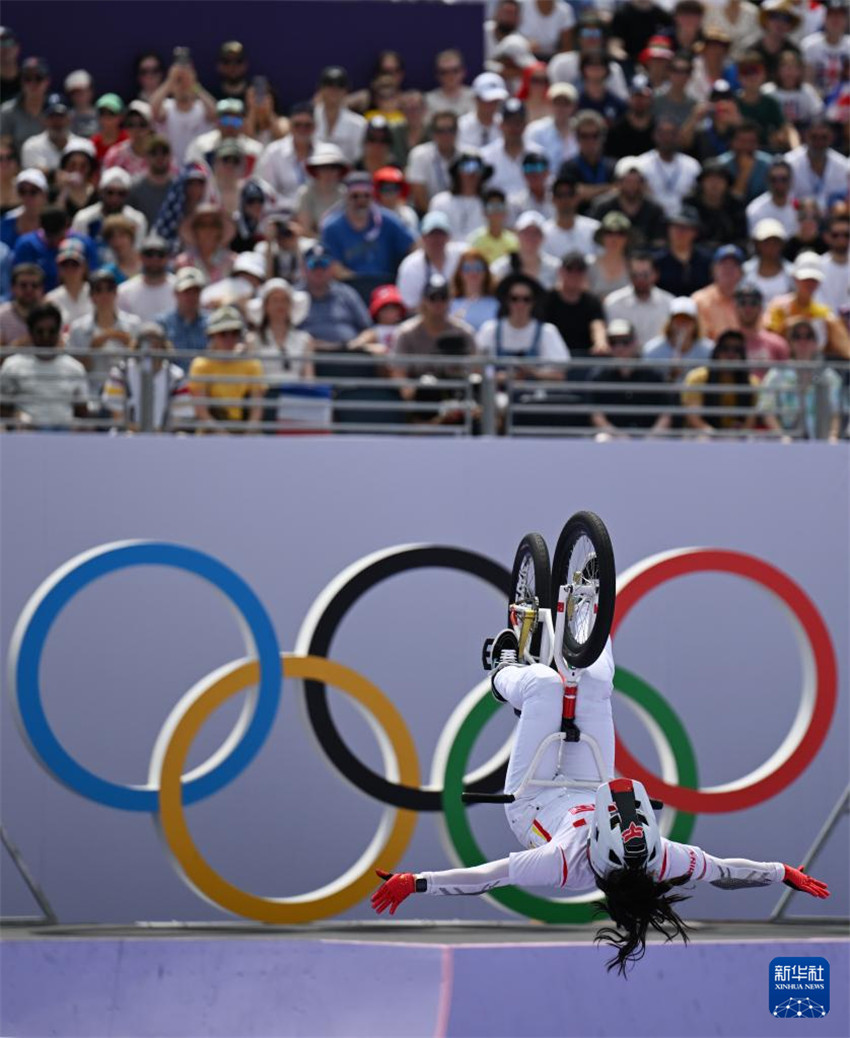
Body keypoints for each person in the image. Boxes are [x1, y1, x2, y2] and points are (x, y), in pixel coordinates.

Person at [372, 639, 830, 973]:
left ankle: (501, 671)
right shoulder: (661, 857)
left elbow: (486, 877)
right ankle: (587, 618)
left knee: (544, 687)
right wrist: (781, 872)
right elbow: (724, 872)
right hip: (591, 780)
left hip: (533, 796)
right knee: (597, 681)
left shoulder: (561, 865)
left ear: (595, 843)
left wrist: (418, 883)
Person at [390, 273, 478, 421]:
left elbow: (476, 371)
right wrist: (412, 392)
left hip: (458, 395)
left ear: (450, 301)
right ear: (424, 301)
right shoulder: (406, 333)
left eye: (443, 297)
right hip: (423, 402)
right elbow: (399, 374)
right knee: (427, 384)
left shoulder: (464, 333)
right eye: (433, 298)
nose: (438, 303)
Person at [0, 302, 89, 428]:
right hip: (25, 436)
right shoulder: (13, 366)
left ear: (59, 333)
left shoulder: (74, 368)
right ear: (30, 333)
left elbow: (82, 412)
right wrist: (17, 417)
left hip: (64, 435)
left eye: (51, 332)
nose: (46, 337)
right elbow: (2, 408)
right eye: (40, 332)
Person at [757, 316, 843, 440]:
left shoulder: (829, 376)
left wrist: (833, 436)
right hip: (787, 443)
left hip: (822, 440)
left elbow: (836, 413)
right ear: (790, 343)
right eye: (797, 337)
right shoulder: (776, 374)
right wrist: (782, 437)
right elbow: (767, 411)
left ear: (816, 343)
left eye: (808, 336)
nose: (803, 341)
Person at [321, 170, 414, 282]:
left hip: (387, 283)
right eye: (355, 196)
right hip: (350, 286)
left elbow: (414, 246)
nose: (361, 201)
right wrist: (363, 283)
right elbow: (333, 266)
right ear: (346, 197)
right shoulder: (331, 227)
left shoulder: (389, 220)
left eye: (366, 196)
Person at [101, 321, 192, 432]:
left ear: (164, 346)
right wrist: (142, 434)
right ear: (136, 345)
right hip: (127, 436)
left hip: (165, 439)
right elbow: (117, 415)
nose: (151, 348)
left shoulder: (177, 377)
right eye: (145, 342)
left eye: (156, 343)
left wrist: (156, 435)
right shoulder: (120, 373)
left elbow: (179, 418)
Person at [188, 304, 265, 431]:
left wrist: (246, 435)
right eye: (223, 333)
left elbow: (256, 410)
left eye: (234, 333)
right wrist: (223, 435)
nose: (229, 338)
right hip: (210, 435)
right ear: (212, 335)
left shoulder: (252, 364)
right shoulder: (201, 365)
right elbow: (201, 412)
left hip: (245, 433)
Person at [478, 272, 570, 377]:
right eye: (514, 298)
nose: (520, 304)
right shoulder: (490, 330)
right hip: (498, 392)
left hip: (536, 392)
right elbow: (478, 369)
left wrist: (532, 373)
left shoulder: (547, 331)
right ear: (507, 300)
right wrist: (504, 377)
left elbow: (559, 374)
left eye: (526, 299)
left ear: (534, 302)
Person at [590, 318, 671, 436]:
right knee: (602, 439)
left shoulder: (654, 374)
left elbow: (666, 413)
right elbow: (596, 414)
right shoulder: (599, 376)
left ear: (635, 342)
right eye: (613, 342)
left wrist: (652, 437)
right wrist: (618, 436)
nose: (620, 347)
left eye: (625, 341)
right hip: (613, 438)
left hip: (651, 438)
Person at [765, 252, 850, 361]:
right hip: (782, 364)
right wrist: (788, 326)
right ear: (795, 279)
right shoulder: (778, 307)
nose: (810, 284)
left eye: (813, 280)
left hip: (815, 366)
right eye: (805, 279)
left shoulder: (823, 312)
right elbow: (768, 339)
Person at [67, 267, 141, 382]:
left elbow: (141, 365)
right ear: (91, 296)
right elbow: (74, 371)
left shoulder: (134, 324)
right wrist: (92, 350)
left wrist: (131, 346)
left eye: (109, 289)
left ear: (116, 292)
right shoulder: (78, 328)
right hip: (92, 393)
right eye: (98, 290)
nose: (104, 295)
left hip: (126, 392)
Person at [298, 244, 372, 353]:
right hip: (308, 356)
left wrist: (357, 343)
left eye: (324, 264)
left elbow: (369, 329)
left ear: (332, 268)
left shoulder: (347, 293)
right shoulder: (294, 296)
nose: (319, 270)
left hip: (346, 354)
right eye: (313, 264)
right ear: (303, 269)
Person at [682, 330, 757, 434]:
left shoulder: (752, 383)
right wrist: (714, 436)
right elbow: (693, 417)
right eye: (725, 348)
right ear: (717, 351)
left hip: (738, 440)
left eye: (737, 350)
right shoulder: (697, 378)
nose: (731, 354)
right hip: (703, 438)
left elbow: (750, 420)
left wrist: (738, 437)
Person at [589, 158, 666, 252]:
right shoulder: (602, 207)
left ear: (643, 183)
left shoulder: (655, 209)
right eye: (627, 181)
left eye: (636, 181)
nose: (632, 186)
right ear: (618, 182)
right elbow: (594, 239)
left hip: (643, 261)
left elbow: (659, 243)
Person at [149, 60, 217, 166]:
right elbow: (153, 109)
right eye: (179, 81)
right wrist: (170, 80)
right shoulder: (167, 107)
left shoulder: (202, 108)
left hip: (198, 171)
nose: (183, 86)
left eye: (186, 82)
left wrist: (194, 84)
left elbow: (215, 114)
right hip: (172, 169)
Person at [396, 210, 464, 311]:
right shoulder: (410, 266)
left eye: (441, 234)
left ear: (449, 237)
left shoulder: (462, 255)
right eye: (432, 234)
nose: (437, 239)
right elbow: (409, 305)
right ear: (423, 237)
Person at [247, 277, 314, 380]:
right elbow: (252, 380)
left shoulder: (305, 340)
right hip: (266, 393)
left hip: (296, 394)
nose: (280, 305)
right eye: (275, 300)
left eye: (284, 300)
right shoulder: (253, 340)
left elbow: (309, 378)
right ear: (266, 306)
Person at [604, 253, 674, 349]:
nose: (640, 279)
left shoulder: (670, 303)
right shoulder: (613, 303)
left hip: (659, 362)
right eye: (635, 275)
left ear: (656, 275)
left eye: (645, 275)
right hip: (623, 361)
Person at [637, 119, 701, 222]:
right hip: (651, 219)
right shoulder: (641, 164)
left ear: (679, 136)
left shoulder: (692, 165)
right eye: (662, 133)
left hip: (683, 220)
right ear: (654, 136)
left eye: (672, 134)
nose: (667, 138)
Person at [682, 159, 747, 254]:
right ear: (702, 182)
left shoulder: (736, 205)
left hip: (729, 255)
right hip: (696, 254)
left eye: (719, 180)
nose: (714, 184)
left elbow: (741, 239)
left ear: (727, 184)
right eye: (710, 179)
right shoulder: (690, 203)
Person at [255, 102, 314, 206]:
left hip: (320, 215)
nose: (302, 129)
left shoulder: (326, 152)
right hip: (282, 213)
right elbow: (267, 190)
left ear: (315, 127)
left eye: (307, 126)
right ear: (290, 126)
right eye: (297, 125)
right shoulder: (273, 152)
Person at [642, 297, 714, 379]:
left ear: (695, 323)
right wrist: (670, 375)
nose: (682, 325)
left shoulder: (709, 351)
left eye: (687, 320)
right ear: (670, 322)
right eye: (678, 320)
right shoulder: (652, 351)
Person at [786, 120, 849, 212]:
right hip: (798, 216)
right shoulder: (789, 163)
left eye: (824, 137)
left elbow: (844, 198)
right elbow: (785, 199)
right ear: (806, 137)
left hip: (832, 219)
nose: (819, 142)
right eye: (814, 137)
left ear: (831, 138)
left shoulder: (842, 166)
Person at [405, 110, 460, 215]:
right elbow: (419, 197)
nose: (446, 135)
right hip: (427, 214)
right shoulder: (419, 155)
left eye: (451, 130)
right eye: (441, 130)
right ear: (434, 133)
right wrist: (436, 218)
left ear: (457, 132)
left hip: (459, 213)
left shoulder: (466, 156)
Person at [481, 99, 540, 197]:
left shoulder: (538, 155)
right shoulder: (486, 157)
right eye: (509, 122)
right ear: (501, 125)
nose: (514, 127)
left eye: (518, 122)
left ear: (525, 124)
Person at [427, 151, 490, 243]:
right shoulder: (440, 202)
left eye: (477, 168)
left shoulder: (489, 203)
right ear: (457, 172)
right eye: (467, 167)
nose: (472, 173)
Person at [732, 281, 790, 380]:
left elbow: (787, 378)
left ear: (761, 307)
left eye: (753, 303)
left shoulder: (777, 344)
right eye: (743, 303)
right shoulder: (727, 344)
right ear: (735, 307)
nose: (748, 308)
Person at [491, 211, 561, 291]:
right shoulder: (500, 268)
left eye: (536, 233)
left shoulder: (555, 268)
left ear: (543, 237)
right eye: (526, 232)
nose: (531, 237)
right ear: (516, 235)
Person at [20, 93, 88, 173]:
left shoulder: (84, 147)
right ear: (43, 120)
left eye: (61, 116)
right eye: (51, 117)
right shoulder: (31, 146)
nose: (57, 122)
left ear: (70, 118)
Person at [314, 66, 367, 166]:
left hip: (347, 176)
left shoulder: (359, 124)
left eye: (339, 86)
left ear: (346, 90)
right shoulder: (308, 119)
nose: (334, 90)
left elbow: (358, 157)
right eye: (329, 85)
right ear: (320, 89)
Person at [653, 208, 712, 297]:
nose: (680, 232)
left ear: (695, 232)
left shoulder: (706, 261)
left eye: (685, 228)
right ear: (668, 230)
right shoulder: (657, 261)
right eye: (676, 227)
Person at [116, 233, 176, 321]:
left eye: (160, 254)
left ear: (167, 258)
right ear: (140, 257)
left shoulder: (180, 288)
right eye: (149, 254)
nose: (154, 259)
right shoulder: (124, 291)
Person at [155, 265, 208, 364]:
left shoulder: (211, 323)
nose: (191, 296)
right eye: (187, 292)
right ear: (176, 293)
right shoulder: (163, 323)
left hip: (203, 378)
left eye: (196, 291)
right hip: (171, 378)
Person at [692, 245, 744, 341]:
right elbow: (700, 338)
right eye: (723, 264)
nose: (728, 269)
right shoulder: (699, 300)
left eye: (734, 265)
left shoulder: (749, 299)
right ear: (713, 270)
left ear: (741, 272)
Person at [542, 173, 599, 260]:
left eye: (570, 194)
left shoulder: (594, 229)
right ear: (553, 199)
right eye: (560, 195)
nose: (565, 199)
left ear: (577, 197)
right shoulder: (543, 233)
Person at [295, 143, 349, 236]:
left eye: (333, 168)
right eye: (323, 168)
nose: (328, 173)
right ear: (316, 170)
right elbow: (305, 229)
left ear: (339, 171)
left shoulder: (345, 194)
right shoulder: (306, 193)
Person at [175, 204, 236, 285]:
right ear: (195, 230)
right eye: (202, 225)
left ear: (220, 230)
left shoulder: (233, 261)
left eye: (213, 225)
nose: (208, 230)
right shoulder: (183, 262)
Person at [525, 83, 578, 175]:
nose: (561, 108)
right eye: (557, 103)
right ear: (549, 104)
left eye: (566, 103)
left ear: (574, 106)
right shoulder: (535, 130)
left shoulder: (582, 131)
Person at [0, 56, 50, 153]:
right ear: (22, 82)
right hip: (17, 166)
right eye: (28, 79)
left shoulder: (56, 109)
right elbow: (2, 145)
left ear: (47, 81)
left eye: (38, 78)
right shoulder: (7, 111)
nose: (33, 83)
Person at [801, 0, 849, 100]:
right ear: (824, 19)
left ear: (846, 20)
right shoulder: (809, 45)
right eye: (831, 15)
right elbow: (807, 82)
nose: (836, 20)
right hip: (816, 99)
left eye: (840, 16)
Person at [718, 121, 773, 206]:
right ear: (732, 142)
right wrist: (744, 172)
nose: (746, 146)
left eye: (751, 142)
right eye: (742, 141)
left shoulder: (768, 165)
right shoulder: (721, 165)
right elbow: (729, 202)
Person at [746, 159, 799, 239]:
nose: (779, 183)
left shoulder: (799, 206)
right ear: (767, 181)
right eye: (774, 179)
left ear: (791, 180)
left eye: (784, 179)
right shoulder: (755, 209)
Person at [606, 75, 655, 162]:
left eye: (643, 97)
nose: (639, 100)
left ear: (651, 99)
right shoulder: (617, 129)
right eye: (636, 96)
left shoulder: (657, 129)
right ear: (629, 98)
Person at [102, 100, 157, 179]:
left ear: (151, 127)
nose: (136, 129)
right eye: (131, 124)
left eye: (142, 124)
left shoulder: (159, 155)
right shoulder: (115, 155)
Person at [743, 219, 795, 300]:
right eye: (766, 242)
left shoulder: (792, 273)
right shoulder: (745, 271)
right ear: (757, 244)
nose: (771, 246)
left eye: (775, 242)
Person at [449, 248, 499, 330]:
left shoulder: (497, 304)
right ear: (459, 273)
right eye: (467, 268)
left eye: (478, 268)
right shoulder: (450, 304)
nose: (473, 272)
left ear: (486, 272)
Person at [46, 238, 91, 328]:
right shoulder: (50, 299)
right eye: (65, 265)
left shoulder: (96, 293)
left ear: (84, 267)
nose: (70, 269)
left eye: (75, 264)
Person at [586, 212, 632, 300]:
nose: (614, 239)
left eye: (620, 233)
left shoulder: (633, 266)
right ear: (602, 236)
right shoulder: (589, 265)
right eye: (609, 233)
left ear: (627, 238)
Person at [468, 187, 519, 265]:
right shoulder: (475, 240)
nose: (496, 211)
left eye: (499, 207)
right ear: (484, 212)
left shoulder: (514, 241)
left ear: (505, 211)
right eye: (491, 207)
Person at [457, 72, 507, 151]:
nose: (492, 106)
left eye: (496, 101)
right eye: (487, 101)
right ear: (476, 99)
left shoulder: (506, 126)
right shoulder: (461, 126)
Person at [1, 168, 47, 250]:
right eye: (22, 191)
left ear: (44, 194)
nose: (27, 196)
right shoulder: (6, 222)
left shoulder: (53, 221)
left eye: (33, 191)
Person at [0, 262, 44, 345]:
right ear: (13, 288)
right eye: (23, 285)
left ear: (41, 289)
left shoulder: (50, 315)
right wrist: (16, 347)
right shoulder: (2, 316)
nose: (29, 290)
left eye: (34, 285)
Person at [425, 49, 474, 119]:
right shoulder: (428, 101)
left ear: (463, 72)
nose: (450, 76)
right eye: (444, 72)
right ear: (437, 75)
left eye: (455, 70)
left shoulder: (475, 97)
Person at [508, 152, 554, 225]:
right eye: (528, 169)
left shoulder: (559, 199)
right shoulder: (515, 203)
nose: (533, 174)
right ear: (523, 174)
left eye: (538, 168)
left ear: (547, 172)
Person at [818, 212, 849, 318]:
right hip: (827, 325)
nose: (841, 239)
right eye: (835, 235)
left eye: (846, 235)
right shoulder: (818, 266)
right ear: (827, 237)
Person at [373, 166, 417, 234]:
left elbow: (412, 241)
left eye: (394, 188)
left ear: (400, 191)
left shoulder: (407, 214)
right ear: (377, 191)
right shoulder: (371, 214)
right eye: (385, 189)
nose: (389, 193)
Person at [90, 94, 126, 164]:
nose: (106, 117)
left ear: (121, 116)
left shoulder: (127, 139)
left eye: (111, 113)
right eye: (102, 113)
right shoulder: (93, 143)